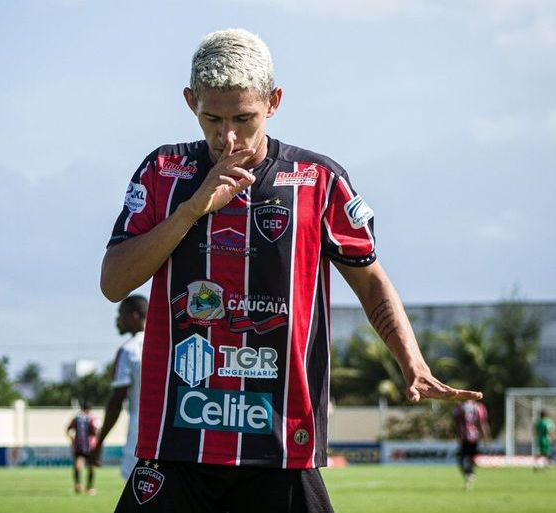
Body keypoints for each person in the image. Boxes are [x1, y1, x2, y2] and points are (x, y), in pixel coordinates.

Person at [100, 28, 483, 513]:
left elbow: (370, 281)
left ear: (274, 102)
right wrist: (193, 209)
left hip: (280, 440)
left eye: (244, 118)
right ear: (190, 101)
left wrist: (414, 362)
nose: (227, 137)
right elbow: (114, 283)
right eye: (212, 118)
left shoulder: (318, 181)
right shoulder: (163, 171)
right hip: (177, 441)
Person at [91, 294, 147, 480]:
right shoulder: (167, 343)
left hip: (140, 434)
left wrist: (99, 442)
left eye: (121, 314)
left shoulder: (129, 350)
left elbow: (116, 401)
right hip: (170, 434)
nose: (117, 320)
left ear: (134, 316)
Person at [454, 400, 490, 490]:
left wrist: (456, 434)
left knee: (461, 459)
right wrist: (486, 438)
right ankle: (470, 474)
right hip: (474, 438)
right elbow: (482, 424)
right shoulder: (479, 407)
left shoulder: (460, 407)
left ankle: (468, 474)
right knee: (471, 459)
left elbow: (456, 423)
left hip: (464, 437)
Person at [66, 401, 98, 495]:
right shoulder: (92, 418)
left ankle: (78, 485)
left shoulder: (77, 418)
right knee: (91, 466)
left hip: (79, 445)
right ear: (90, 409)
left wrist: (72, 439)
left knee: (78, 464)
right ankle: (90, 488)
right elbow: (95, 431)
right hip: (90, 445)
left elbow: (69, 429)